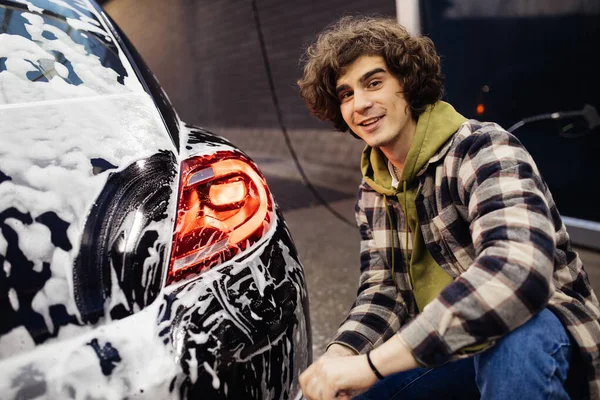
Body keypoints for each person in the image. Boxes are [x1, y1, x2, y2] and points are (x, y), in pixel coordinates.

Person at [296, 16, 600, 400]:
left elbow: (516, 272)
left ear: (407, 84)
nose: (360, 104)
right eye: (345, 94)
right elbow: (384, 293)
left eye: (374, 82)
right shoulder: (374, 187)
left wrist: (373, 364)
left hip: (542, 341)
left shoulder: (483, 149)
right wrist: (340, 358)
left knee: (515, 334)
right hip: (448, 350)